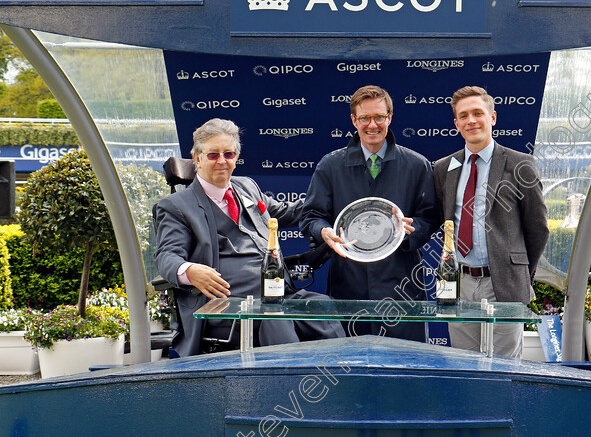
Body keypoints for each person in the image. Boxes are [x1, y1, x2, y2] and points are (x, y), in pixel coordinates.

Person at [154, 118, 344, 357]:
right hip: (228, 307)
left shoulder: (246, 187)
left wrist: (338, 201)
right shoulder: (176, 207)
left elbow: (287, 212)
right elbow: (166, 255)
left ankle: (335, 382)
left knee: (323, 307)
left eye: (229, 154)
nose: (222, 161)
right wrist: (189, 270)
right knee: (278, 321)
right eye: (213, 155)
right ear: (197, 158)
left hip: (278, 294)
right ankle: (287, 390)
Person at [300, 85, 438, 341]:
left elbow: (430, 218)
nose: (372, 125)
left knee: (403, 365)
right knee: (348, 366)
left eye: (379, 117)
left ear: (390, 118)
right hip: (348, 283)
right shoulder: (330, 166)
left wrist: (411, 229)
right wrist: (323, 231)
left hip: (402, 284)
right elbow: (311, 216)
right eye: (365, 118)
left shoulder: (417, 165)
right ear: (354, 120)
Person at [433, 86, 549, 358]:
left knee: (505, 365)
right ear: (456, 124)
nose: (471, 120)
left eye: (477, 113)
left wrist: (519, 271)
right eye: (464, 116)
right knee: (463, 363)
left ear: (492, 117)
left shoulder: (520, 164)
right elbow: (441, 219)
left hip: (504, 283)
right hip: (458, 283)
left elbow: (538, 228)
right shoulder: (443, 168)